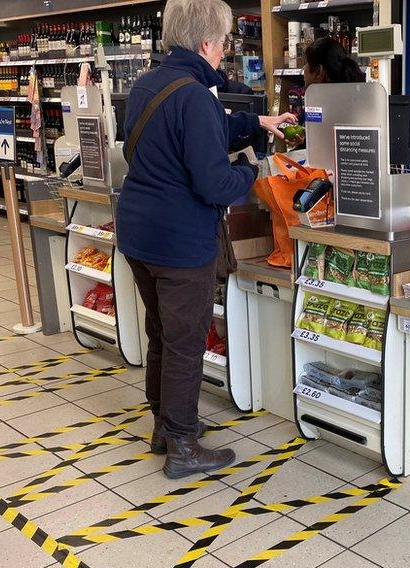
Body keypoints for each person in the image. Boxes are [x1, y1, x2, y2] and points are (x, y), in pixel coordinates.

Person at [116, 0, 296, 479]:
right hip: (179, 243)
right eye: (222, 43)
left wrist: (256, 123)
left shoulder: (150, 83)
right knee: (184, 342)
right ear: (205, 44)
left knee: (161, 333)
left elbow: (193, 128)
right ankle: (183, 444)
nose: (224, 51)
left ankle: (163, 426)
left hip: (138, 233)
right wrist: (250, 169)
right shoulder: (195, 95)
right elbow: (214, 184)